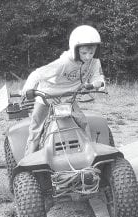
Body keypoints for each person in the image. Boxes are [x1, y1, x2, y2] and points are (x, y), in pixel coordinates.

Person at [21, 25, 106, 155]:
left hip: (68, 98)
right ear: (75, 49)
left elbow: (98, 77)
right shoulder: (64, 63)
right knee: (36, 128)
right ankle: (29, 160)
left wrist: (96, 84)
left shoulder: (94, 62)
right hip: (47, 96)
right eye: (84, 53)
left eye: (91, 52)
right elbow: (37, 74)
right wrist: (28, 88)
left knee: (83, 123)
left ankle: (89, 155)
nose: (88, 56)